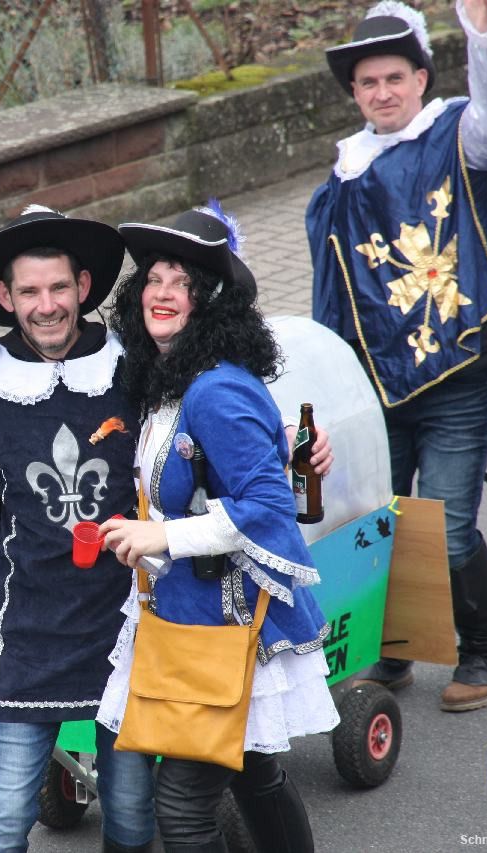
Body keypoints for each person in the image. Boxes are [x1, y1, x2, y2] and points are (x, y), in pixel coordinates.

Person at [307, 0, 487, 711]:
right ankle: (396, 650)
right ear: (355, 93)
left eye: (394, 78)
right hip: (379, 388)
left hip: (458, 381)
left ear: (421, 79)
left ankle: (486, 651)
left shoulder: (459, 136)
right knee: (382, 524)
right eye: (368, 83)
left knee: (446, 529)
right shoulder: (344, 174)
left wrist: (484, 25)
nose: (382, 93)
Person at [98, 205, 339, 853]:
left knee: (181, 807)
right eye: (154, 278)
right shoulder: (165, 378)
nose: (163, 293)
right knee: (255, 772)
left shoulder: (213, 389)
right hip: (195, 620)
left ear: (210, 303)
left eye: (183, 283)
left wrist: (163, 536)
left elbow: (267, 505)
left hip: (231, 626)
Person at [0, 205, 158, 853]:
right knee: (6, 816)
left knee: (131, 812)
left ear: (83, 286)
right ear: (5, 296)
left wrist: (295, 442)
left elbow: (207, 433)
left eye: (59, 287)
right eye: (30, 291)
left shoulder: (136, 370)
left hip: (127, 627)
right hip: (27, 638)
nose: (47, 306)